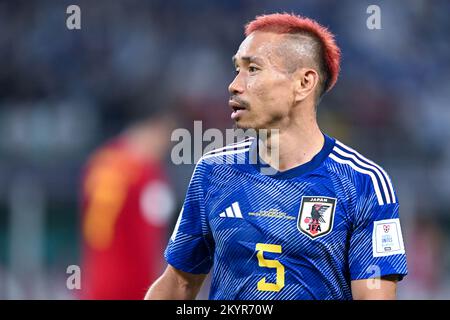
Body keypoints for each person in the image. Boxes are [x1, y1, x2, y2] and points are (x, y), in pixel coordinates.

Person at [145, 13, 407, 300]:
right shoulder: (213, 172)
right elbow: (178, 285)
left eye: (253, 69)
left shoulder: (362, 183)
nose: (234, 85)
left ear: (304, 83)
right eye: (237, 69)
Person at [80, 110, 175, 299]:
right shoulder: (146, 173)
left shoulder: (98, 162)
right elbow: (151, 237)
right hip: (134, 284)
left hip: (96, 281)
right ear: (154, 129)